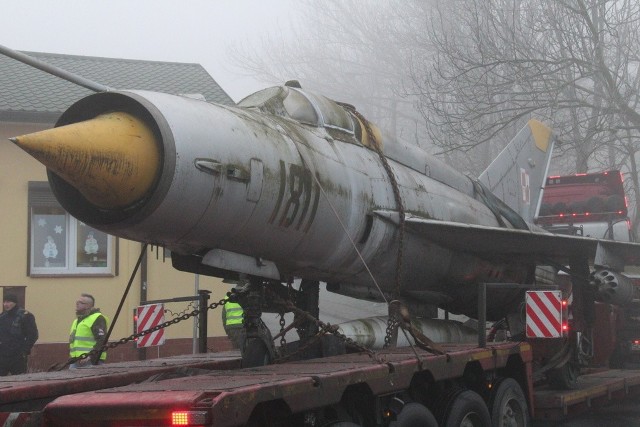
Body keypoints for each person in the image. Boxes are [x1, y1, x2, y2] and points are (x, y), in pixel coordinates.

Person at [0, 293, 38, 375]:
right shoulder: (2, 317)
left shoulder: (25, 316)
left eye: (9, 302)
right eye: (4, 302)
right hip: (3, 355)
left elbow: (33, 335)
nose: (6, 304)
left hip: (17, 356)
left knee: (19, 381)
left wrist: (24, 350)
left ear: (15, 302)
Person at [69, 293, 108, 368]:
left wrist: (90, 356)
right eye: (77, 302)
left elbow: (102, 339)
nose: (77, 304)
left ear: (88, 306)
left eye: (80, 303)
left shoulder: (97, 318)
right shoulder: (77, 320)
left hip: (90, 360)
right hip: (76, 360)